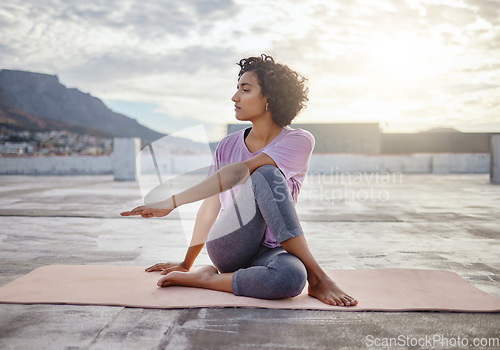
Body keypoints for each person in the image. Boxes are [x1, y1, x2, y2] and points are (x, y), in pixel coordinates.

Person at [121, 54, 357, 307]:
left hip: (273, 250)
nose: (235, 97)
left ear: (270, 99)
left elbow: (240, 172)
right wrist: (186, 261)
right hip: (229, 244)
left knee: (291, 279)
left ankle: (208, 279)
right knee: (265, 173)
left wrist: (173, 202)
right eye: (237, 89)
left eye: (245, 90)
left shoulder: (299, 140)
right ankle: (318, 277)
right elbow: (210, 207)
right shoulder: (227, 145)